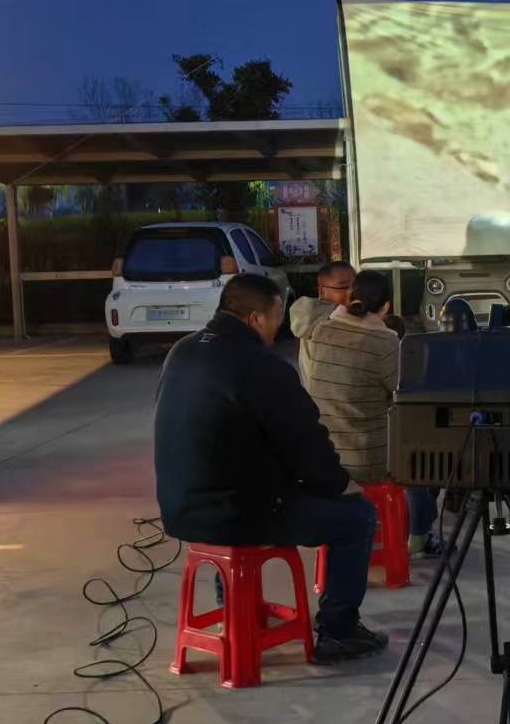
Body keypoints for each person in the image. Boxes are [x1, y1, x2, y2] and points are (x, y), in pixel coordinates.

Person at [152, 273, 387, 663]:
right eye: (277, 318)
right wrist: (337, 484)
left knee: (238, 484)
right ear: (255, 319)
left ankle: (234, 608)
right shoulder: (262, 365)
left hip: (180, 508)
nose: (278, 329)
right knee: (357, 517)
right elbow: (306, 444)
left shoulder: (182, 350)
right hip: (236, 513)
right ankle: (339, 630)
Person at [298, 270, 402, 487]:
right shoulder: (384, 342)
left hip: (325, 453)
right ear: (386, 306)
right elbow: (402, 392)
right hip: (367, 461)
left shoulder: (320, 331)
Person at [291, 260, 356, 391]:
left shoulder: (355, 312)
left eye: (355, 286)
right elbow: (304, 322)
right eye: (344, 287)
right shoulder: (312, 314)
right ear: (322, 292)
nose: (352, 292)